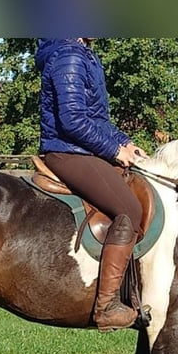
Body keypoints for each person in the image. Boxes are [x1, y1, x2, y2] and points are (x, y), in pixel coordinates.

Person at [35, 38, 148, 332]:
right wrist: (113, 150)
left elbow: (97, 119)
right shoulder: (69, 55)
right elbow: (72, 120)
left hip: (82, 149)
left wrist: (124, 142)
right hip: (68, 152)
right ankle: (106, 306)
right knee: (129, 209)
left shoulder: (83, 54)